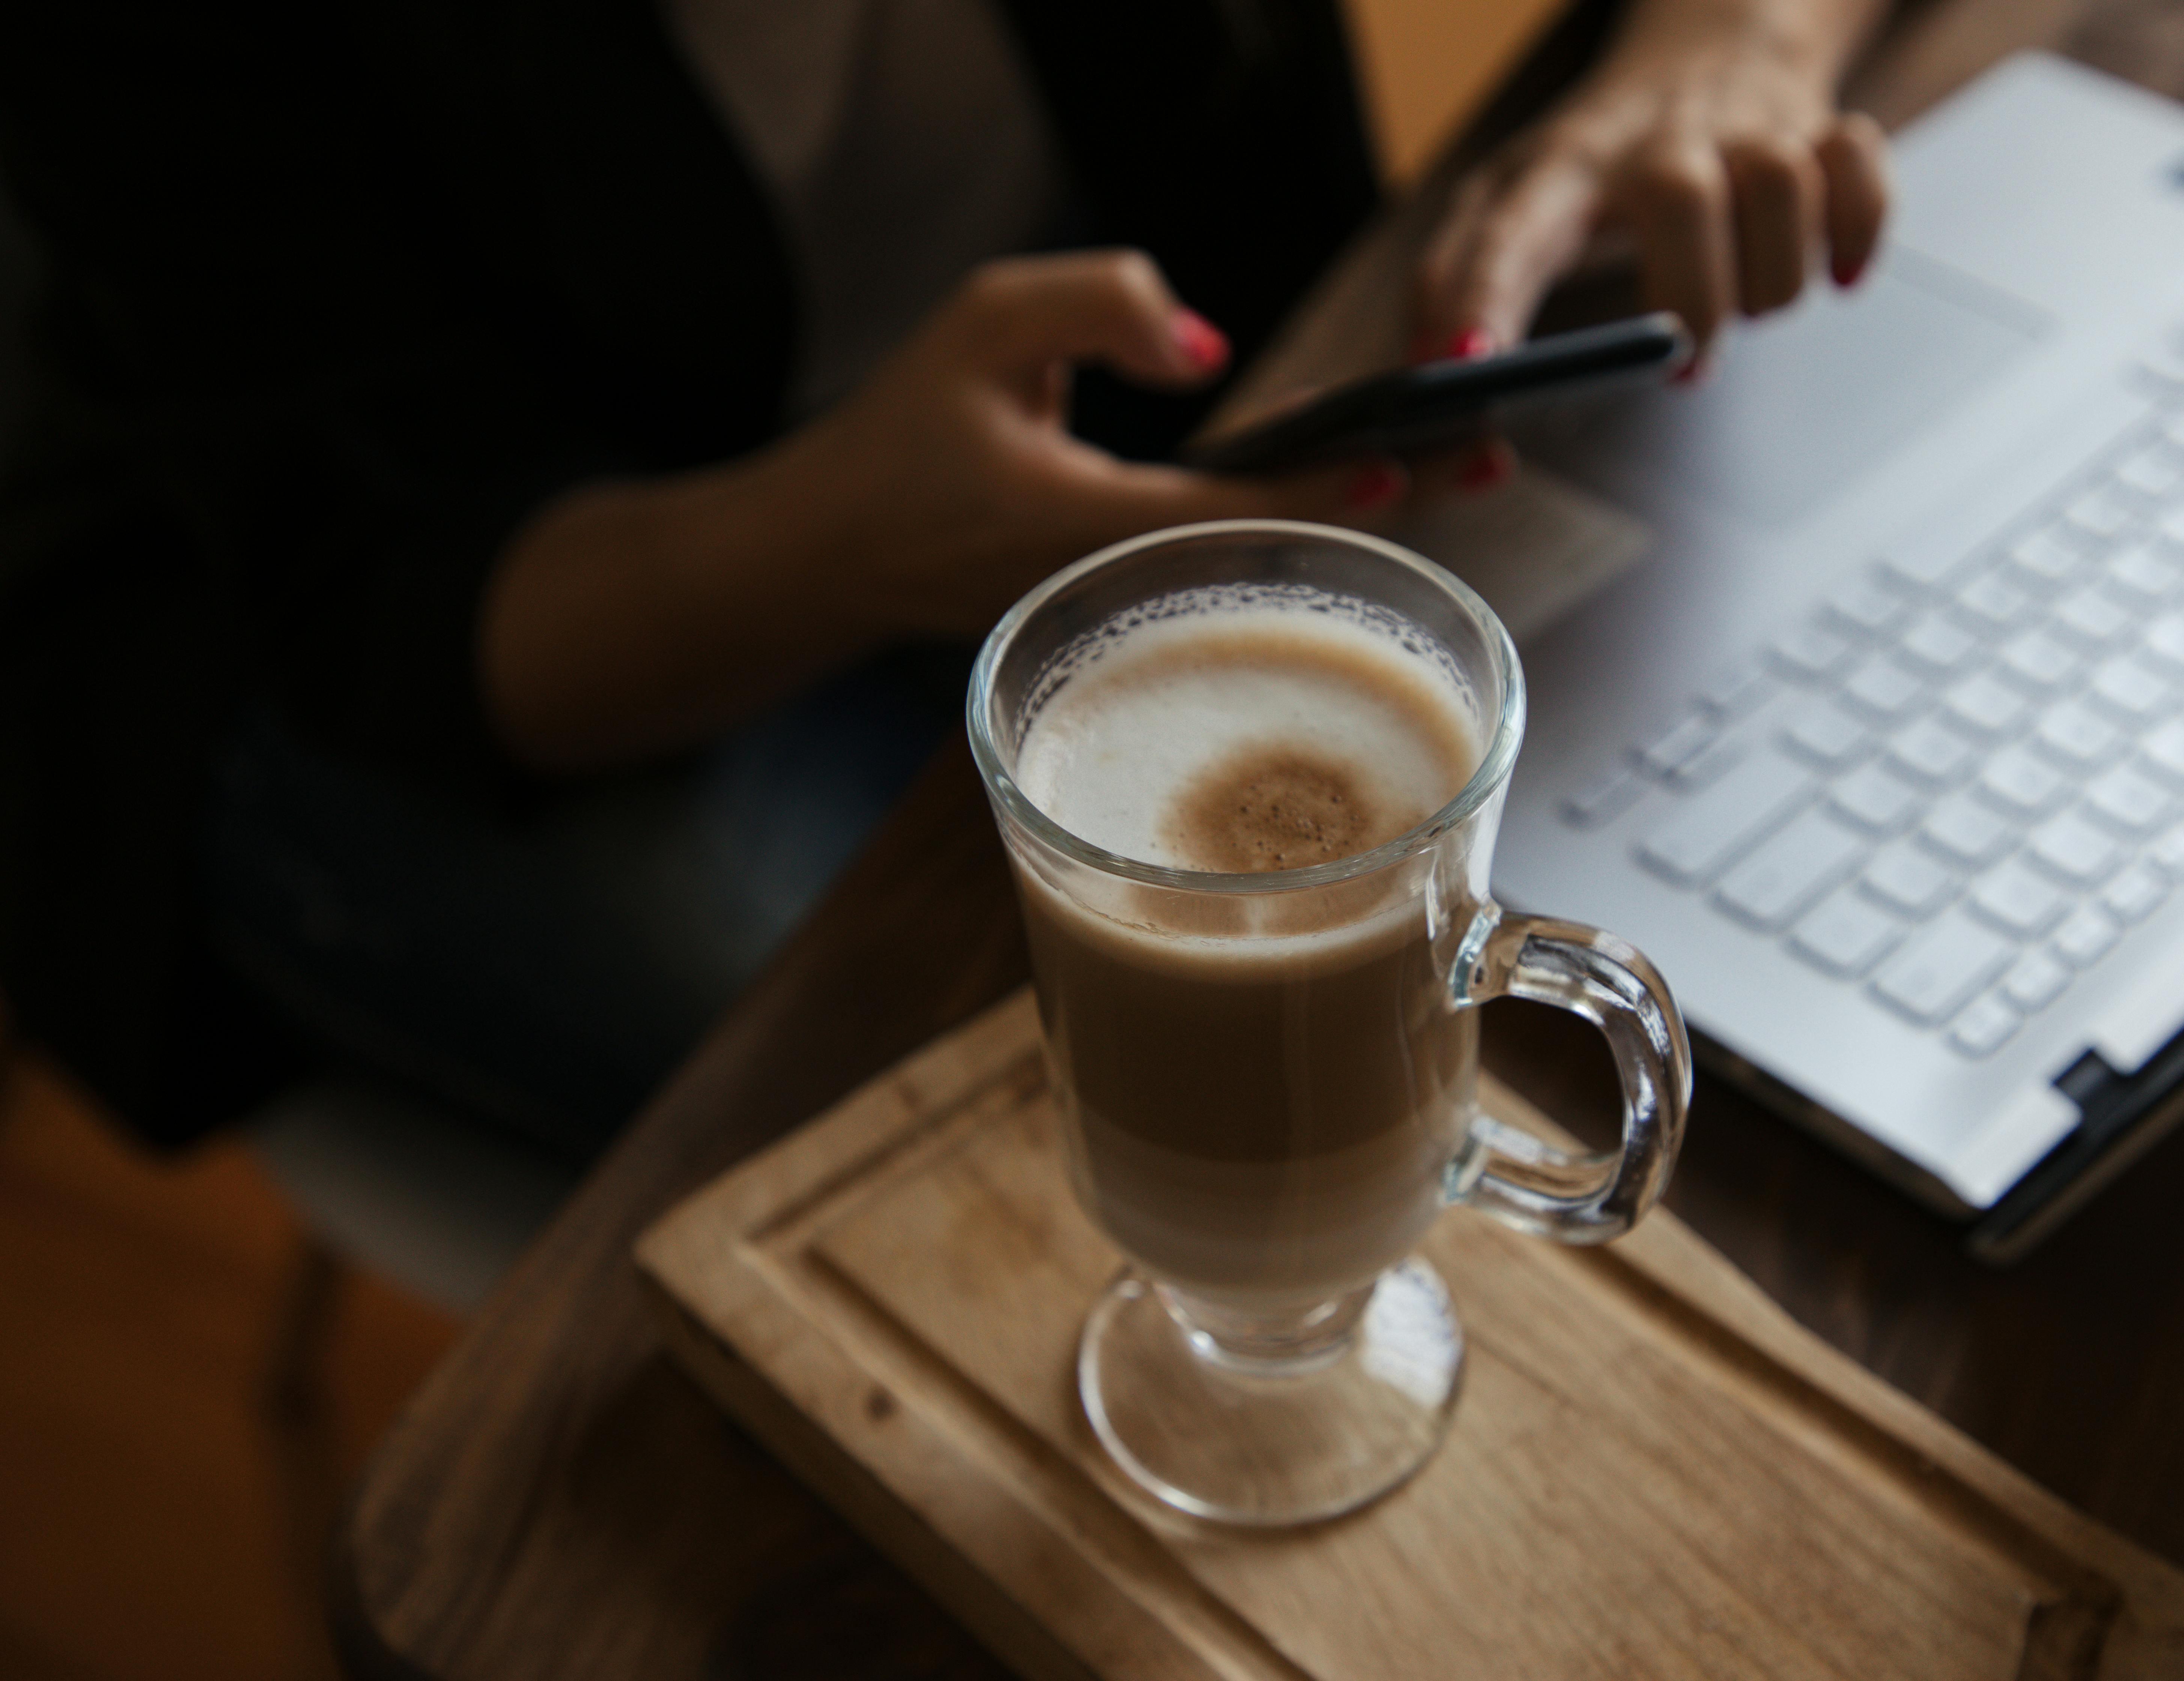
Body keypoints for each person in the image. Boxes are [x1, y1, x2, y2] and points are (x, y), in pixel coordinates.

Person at [0, 0, 1889, 1158]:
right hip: (463, 615)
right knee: (1066, 1120)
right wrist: (838, 541)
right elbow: (388, 606)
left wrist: (1735, 43)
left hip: (1131, 426)